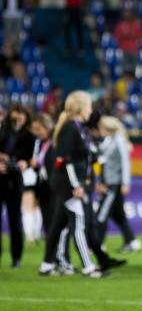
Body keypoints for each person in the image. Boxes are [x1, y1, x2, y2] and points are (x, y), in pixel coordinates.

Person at [38, 91, 122, 277]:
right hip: (67, 184)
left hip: (68, 182)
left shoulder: (78, 128)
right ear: (81, 107)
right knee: (78, 224)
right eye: (89, 106)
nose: (91, 110)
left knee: (58, 224)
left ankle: (46, 265)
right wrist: (76, 185)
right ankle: (88, 267)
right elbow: (64, 160)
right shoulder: (71, 128)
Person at [95, 116, 141, 252]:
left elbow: (125, 162)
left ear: (107, 128)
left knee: (102, 214)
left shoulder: (119, 141)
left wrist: (125, 183)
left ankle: (98, 244)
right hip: (107, 182)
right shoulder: (108, 141)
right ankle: (131, 241)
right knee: (118, 215)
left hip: (114, 184)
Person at [0, 104, 34, 268]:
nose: (18, 117)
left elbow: (30, 158)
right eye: (16, 113)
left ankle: (16, 258)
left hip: (14, 181)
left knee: (15, 221)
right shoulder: (2, 130)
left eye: (22, 114)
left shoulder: (29, 135)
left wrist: (24, 163)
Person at [30, 114, 56, 236]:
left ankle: (60, 252)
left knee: (55, 221)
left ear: (48, 126)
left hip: (55, 186)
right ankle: (50, 250)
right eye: (34, 130)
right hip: (43, 186)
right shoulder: (39, 144)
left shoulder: (56, 142)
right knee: (46, 219)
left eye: (39, 129)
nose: (37, 133)